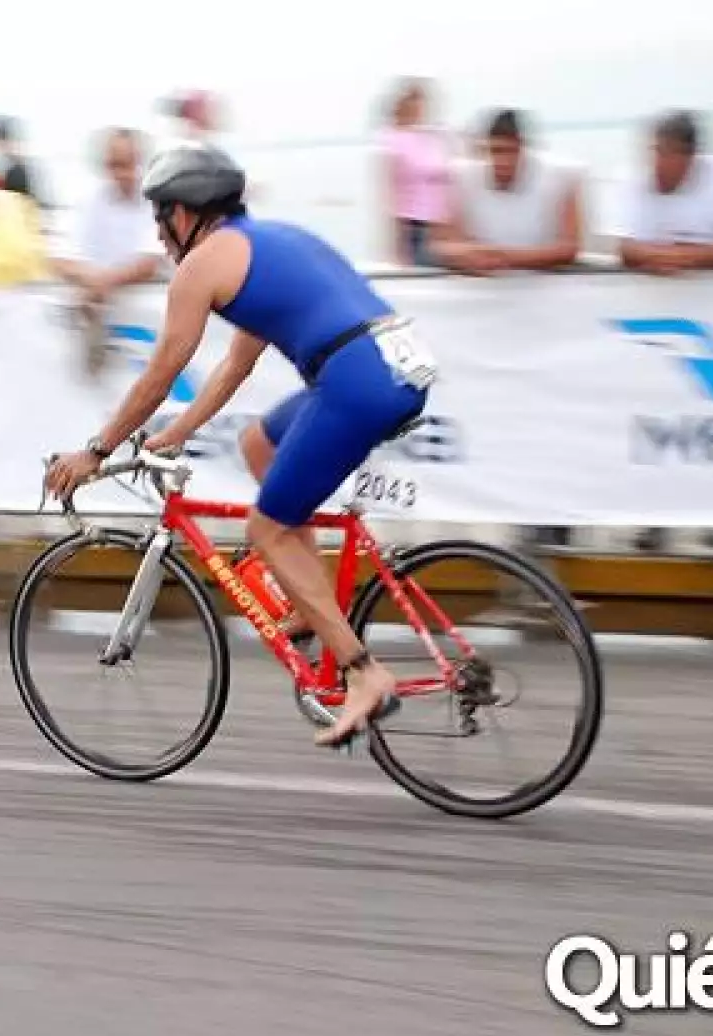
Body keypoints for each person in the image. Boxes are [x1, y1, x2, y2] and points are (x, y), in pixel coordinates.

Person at [44, 144, 434, 749]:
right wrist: (176, 434)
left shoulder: (202, 266)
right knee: (260, 445)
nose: (157, 231)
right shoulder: (268, 241)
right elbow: (233, 367)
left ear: (184, 213)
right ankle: (312, 606)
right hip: (393, 365)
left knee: (265, 530)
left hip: (357, 380)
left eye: (159, 216)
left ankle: (363, 674)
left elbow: (158, 374)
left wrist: (94, 451)